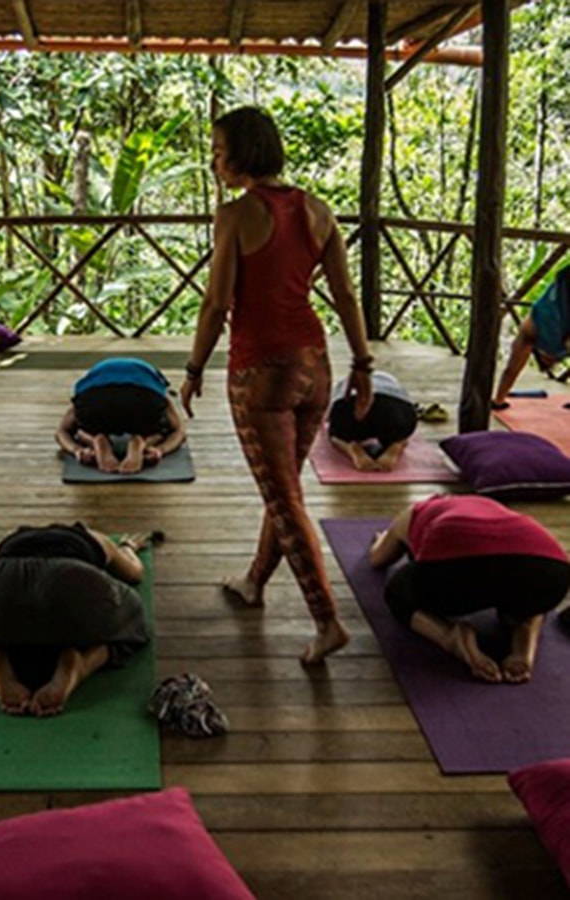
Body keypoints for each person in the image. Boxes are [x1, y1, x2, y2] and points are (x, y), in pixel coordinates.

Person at [180, 105, 373, 664]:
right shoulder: (317, 209)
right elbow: (345, 296)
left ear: (242, 154)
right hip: (316, 365)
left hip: (260, 373)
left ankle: (328, 622)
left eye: (218, 150)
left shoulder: (236, 216)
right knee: (284, 487)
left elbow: (217, 303)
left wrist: (193, 369)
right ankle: (254, 583)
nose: (215, 160)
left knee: (284, 497)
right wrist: (362, 364)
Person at [0, 524, 152, 716]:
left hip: (4, 578)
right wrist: (128, 547)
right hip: (72, 576)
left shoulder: (8, 538)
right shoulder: (93, 536)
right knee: (132, 618)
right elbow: (134, 574)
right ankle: (80, 663)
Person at [369, 494, 570, 683]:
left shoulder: (416, 511)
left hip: (461, 571)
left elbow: (378, 559)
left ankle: (451, 637)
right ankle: (524, 638)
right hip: (551, 569)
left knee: (398, 592)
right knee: (530, 594)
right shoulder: (496, 508)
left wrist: (382, 538)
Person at [56, 357, 186, 474]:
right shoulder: (154, 380)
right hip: (144, 398)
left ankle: (94, 439)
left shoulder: (94, 377)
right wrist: (160, 450)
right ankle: (142, 442)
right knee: (163, 430)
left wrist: (77, 450)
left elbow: (61, 431)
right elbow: (179, 431)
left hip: (95, 398)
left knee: (80, 431)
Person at [492, 267, 570, 408]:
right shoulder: (535, 337)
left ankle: (498, 399)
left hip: (562, 294)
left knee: (515, 361)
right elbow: (511, 370)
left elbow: (512, 370)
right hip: (562, 292)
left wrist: (499, 399)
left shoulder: (532, 335)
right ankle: (498, 399)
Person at [327, 370, 417, 472]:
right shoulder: (392, 382)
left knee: (335, 434)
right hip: (395, 411)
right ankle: (396, 443)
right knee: (399, 432)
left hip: (352, 411)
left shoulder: (344, 382)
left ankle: (351, 447)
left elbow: (329, 415)